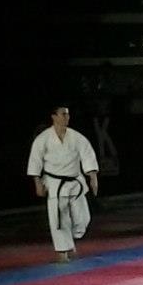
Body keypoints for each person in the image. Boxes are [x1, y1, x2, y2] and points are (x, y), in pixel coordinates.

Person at [26, 105, 99, 263]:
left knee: (83, 219)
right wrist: (37, 183)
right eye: (63, 114)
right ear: (54, 117)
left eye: (68, 114)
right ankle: (62, 251)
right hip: (54, 183)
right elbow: (35, 162)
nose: (67, 117)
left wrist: (93, 177)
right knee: (58, 219)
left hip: (75, 182)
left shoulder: (77, 137)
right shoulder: (43, 139)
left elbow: (88, 156)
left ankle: (71, 238)